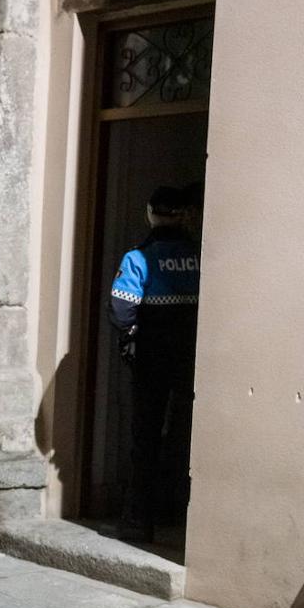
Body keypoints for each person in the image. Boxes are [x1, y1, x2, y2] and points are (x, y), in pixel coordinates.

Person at [108, 186, 201, 543]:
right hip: (191, 358)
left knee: (145, 439)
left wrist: (135, 331)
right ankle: (177, 512)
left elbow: (120, 310)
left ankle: (139, 521)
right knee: (184, 437)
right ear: (185, 215)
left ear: (150, 214)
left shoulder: (139, 258)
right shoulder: (199, 254)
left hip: (150, 359)